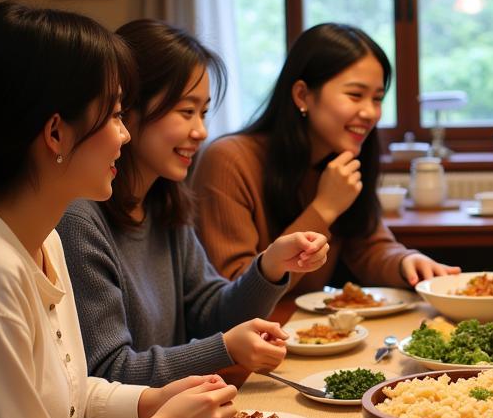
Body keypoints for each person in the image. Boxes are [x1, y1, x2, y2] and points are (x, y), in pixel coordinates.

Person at [0, 2, 238, 418]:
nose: (125, 135)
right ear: (55, 134)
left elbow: (76, 391)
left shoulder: (41, 237)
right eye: (116, 116)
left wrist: (151, 400)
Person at [57, 20, 328, 385]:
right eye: (186, 112)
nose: (201, 131)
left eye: (203, 113)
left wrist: (271, 266)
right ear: (128, 110)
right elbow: (109, 372)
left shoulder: (162, 203)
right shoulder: (79, 218)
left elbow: (212, 313)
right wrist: (225, 349)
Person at [192, 23, 457, 294]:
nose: (370, 113)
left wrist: (405, 262)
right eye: (355, 95)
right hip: (252, 333)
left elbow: (368, 245)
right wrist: (325, 208)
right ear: (302, 95)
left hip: (309, 331)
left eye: (377, 98)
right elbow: (234, 292)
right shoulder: (229, 160)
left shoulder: (343, 159)